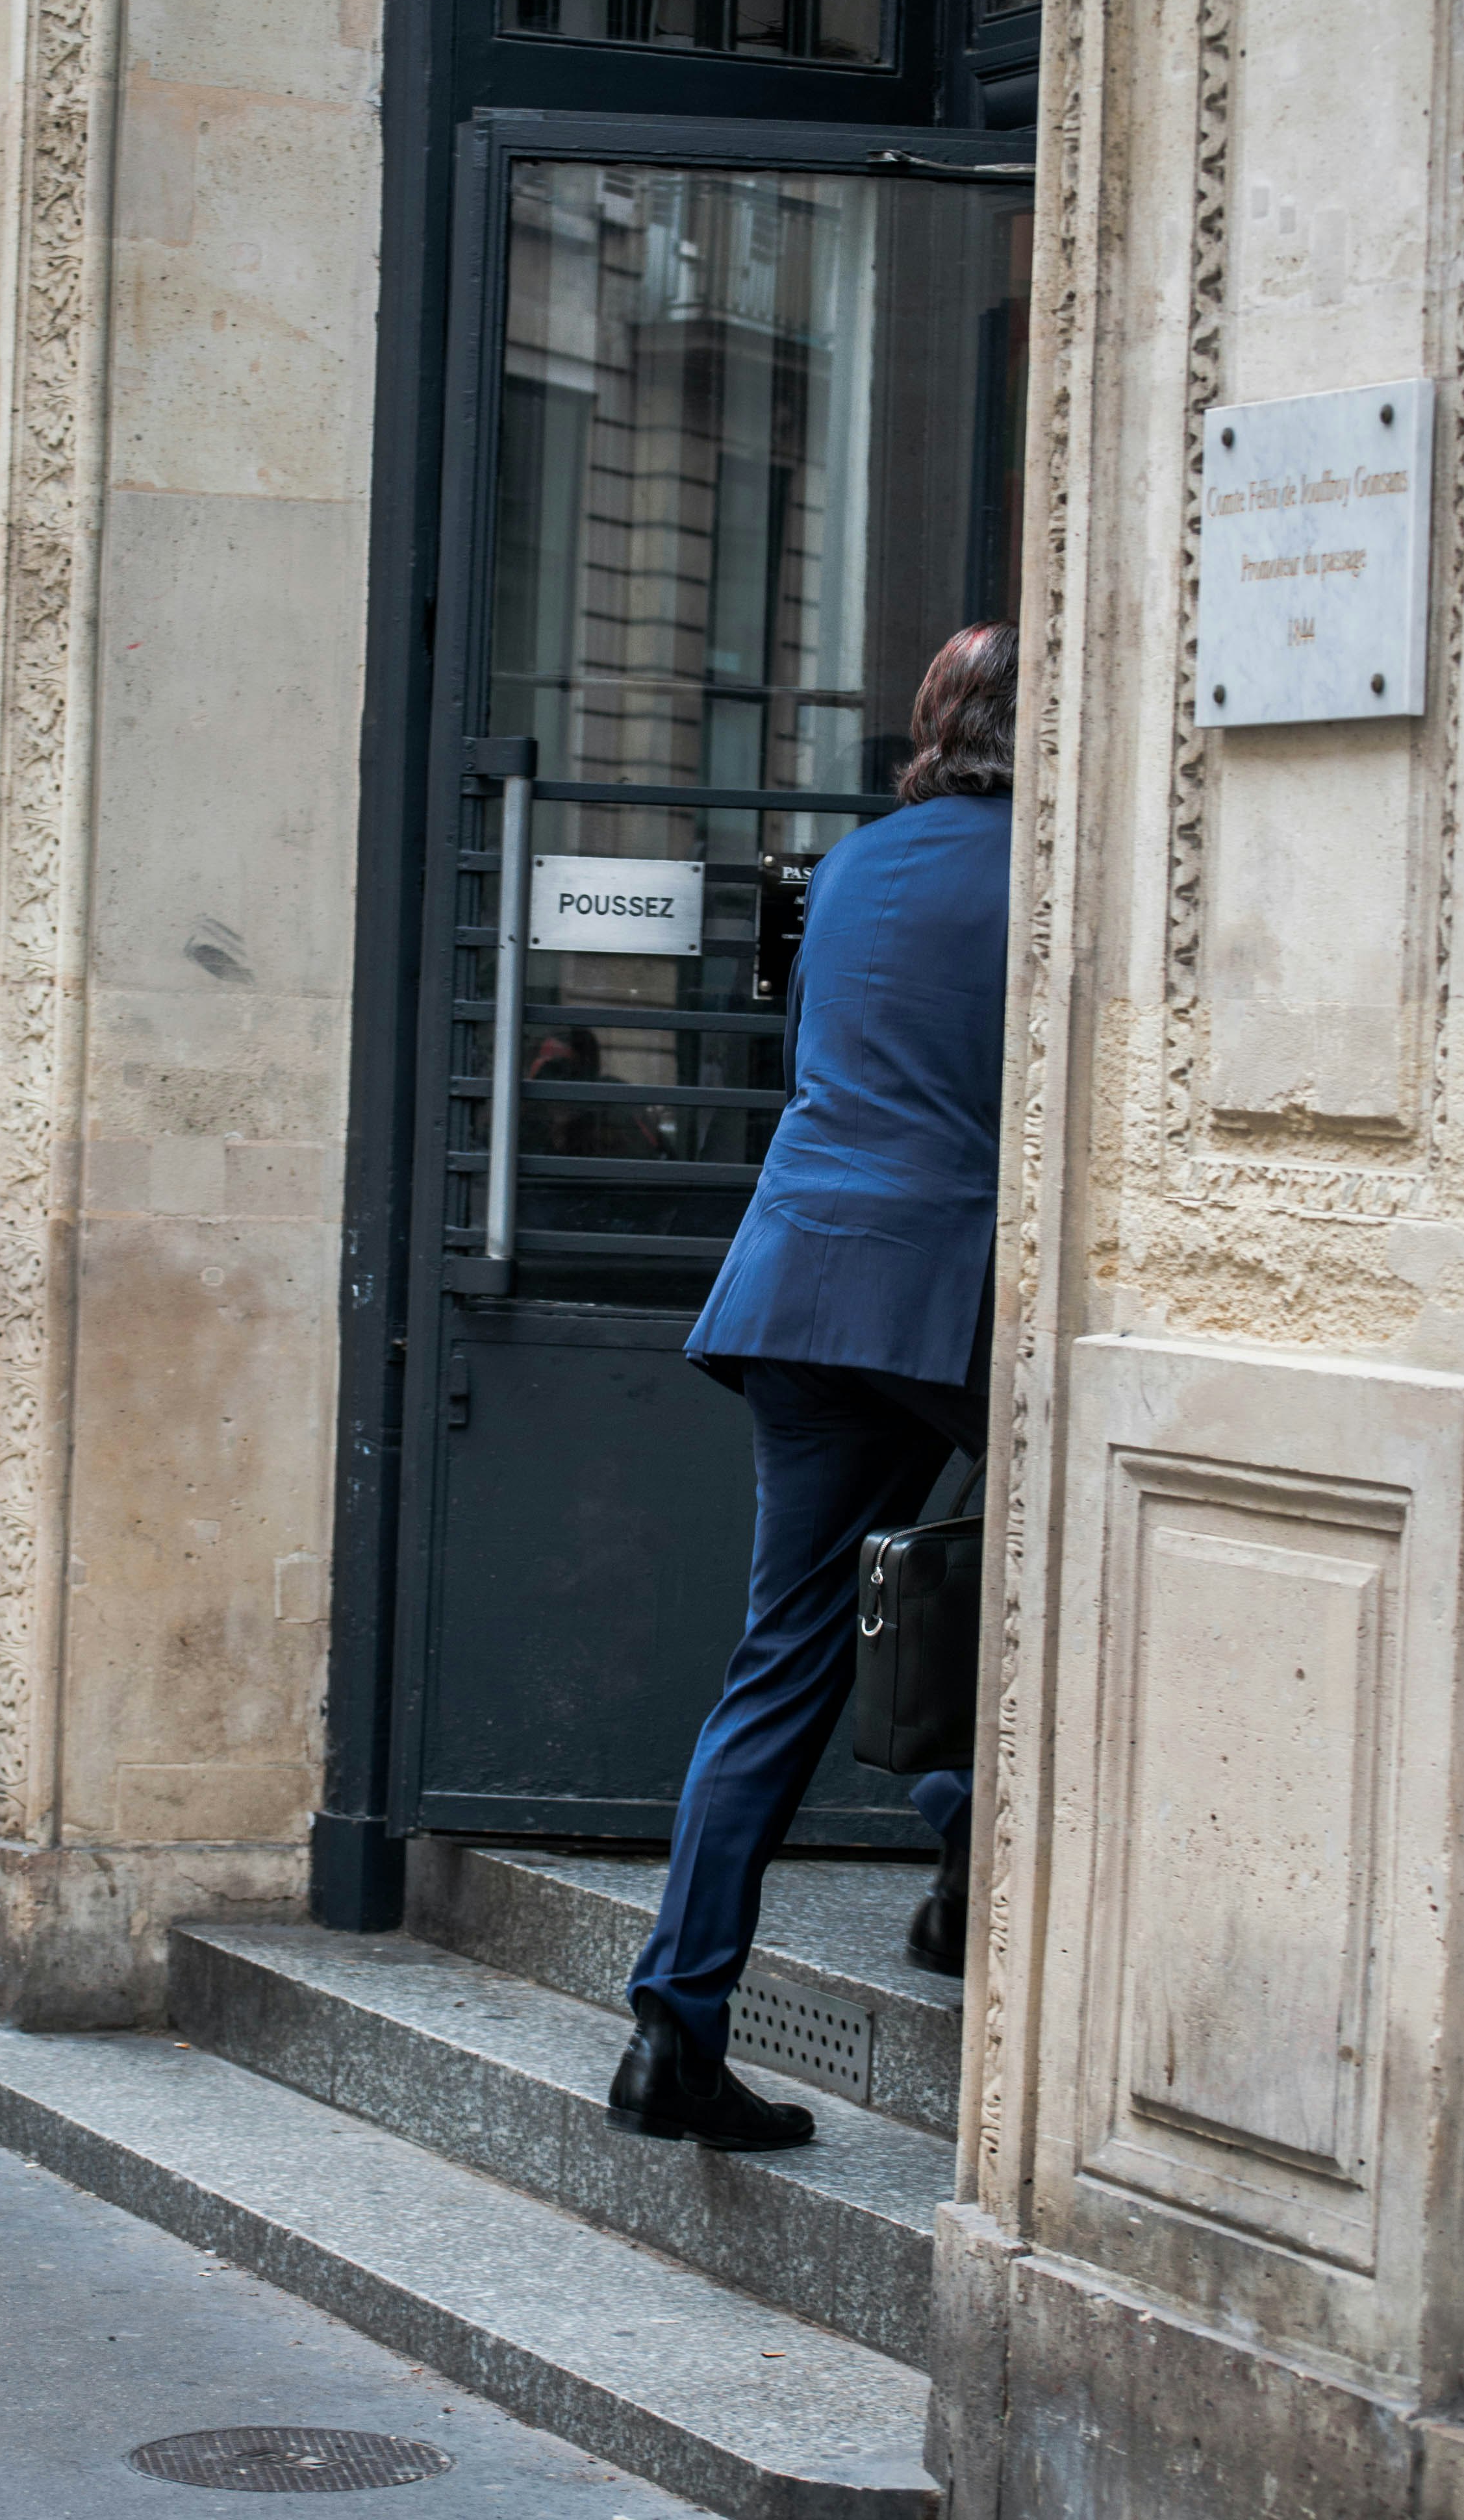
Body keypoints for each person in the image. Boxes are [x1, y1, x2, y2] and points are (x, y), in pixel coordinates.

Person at [606, 622, 1016, 2153]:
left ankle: (673, 2023)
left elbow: (817, 1060)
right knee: (1061, 1592)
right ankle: (960, 1837)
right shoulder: (1052, 873)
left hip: (796, 1280)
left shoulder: (848, 868)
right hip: (947, 1292)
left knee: (780, 1657)